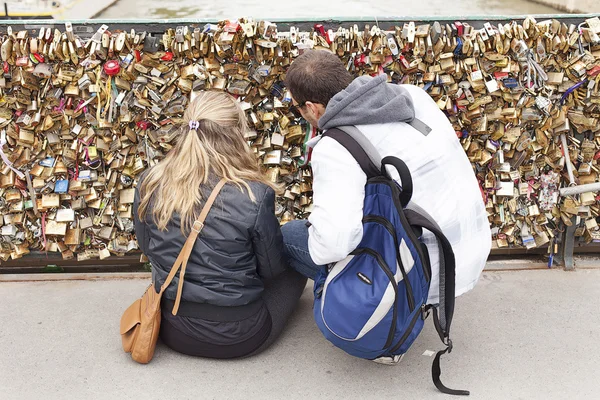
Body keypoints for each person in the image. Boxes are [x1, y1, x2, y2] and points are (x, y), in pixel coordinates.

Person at [282, 49, 491, 304]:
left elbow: (333, 245)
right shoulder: (411, 96)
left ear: (312, 108)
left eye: (295, 107)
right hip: (468, 252)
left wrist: (318, 225)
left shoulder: (335, 147)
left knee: (290, 236)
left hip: (421, 277)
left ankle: (353, 304)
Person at [133, 91, 307, 359]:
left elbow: (148, 247)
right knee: (295, 252)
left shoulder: (151, 181)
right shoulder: (253, 194)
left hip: (173, 329)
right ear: (236, 134)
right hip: (241, 336)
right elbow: (272, 271)